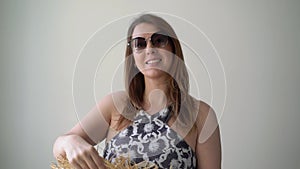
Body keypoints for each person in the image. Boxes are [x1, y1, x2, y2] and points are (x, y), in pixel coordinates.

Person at [53, 13, 221, 169]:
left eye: (159, 40)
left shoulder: (201, 115)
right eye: (140, 44)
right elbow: (59, 147)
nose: (149, 49)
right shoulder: (115, 105)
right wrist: (70, 142)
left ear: (173, 48)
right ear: (132, 57)